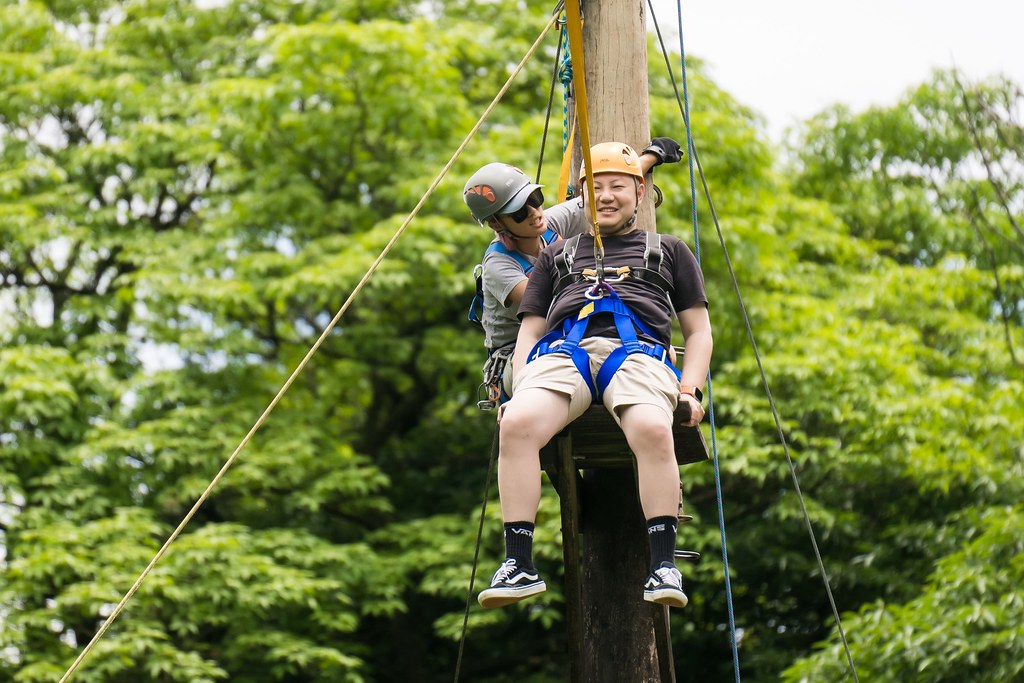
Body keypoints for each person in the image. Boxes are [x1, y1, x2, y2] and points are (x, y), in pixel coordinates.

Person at [477, 141, 713, 609]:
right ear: (583, 197)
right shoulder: (552, 256)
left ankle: (663, 563)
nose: (606, 196)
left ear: (640, 192)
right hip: (567, 352)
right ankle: (518, 563)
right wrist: (520, 390)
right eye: (595, 188)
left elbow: (699, 330)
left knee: (650, 426)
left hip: (639, 355)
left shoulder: (667, 250)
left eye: (618, 187)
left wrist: (690, 389)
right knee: (518, 425)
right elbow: (530, 330)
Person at [463, 138, 681, 406]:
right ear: (497, 223)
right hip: (517, 356)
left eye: (535, 199)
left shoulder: (549, 223)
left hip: (564, 342)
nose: (535, 213)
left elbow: (597, 197)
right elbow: (552, 305)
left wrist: (647, 159)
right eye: (520, 212)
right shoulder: (499, 266)